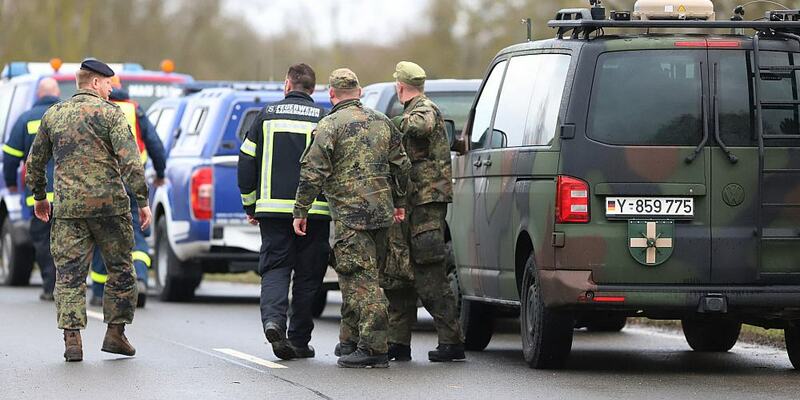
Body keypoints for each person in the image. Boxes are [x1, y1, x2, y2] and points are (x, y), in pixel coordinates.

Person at [26, 59, 151, 362]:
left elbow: (35, 162)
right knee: (121, 270)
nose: (111, 90)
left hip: (69, 210)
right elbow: (131, 162)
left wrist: (40, 198)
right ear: (95, 82)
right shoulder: (112, 114)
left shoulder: (54, 114)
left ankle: (72, 341)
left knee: (69, 275)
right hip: (110, 209)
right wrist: (142, 201)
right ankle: (115, 333)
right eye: (108, 84)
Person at [293, 68, 410, 368]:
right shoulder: (382, 122)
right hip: (381, 214)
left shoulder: (329, 125)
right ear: (359, 92)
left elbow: (312, 172)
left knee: (361, 280)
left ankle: (373, 347)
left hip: (350, 216)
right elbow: (402, 166)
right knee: (357, 276)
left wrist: (301, 210)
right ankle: (350, 339)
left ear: (331, 93)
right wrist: (399, 202)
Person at [237, 63, 330, 360]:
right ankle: (299, 340)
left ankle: (274, 322)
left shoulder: (266, 116)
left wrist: (250, 203)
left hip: (272, 211)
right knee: (308, 277)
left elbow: (246, 161)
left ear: (287, 85)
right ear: (313, 89)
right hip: (315, 213)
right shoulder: (323, 118)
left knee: (276, 268)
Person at [383, 61, 465, 362]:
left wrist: (390, 123)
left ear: (400, 86)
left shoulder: (424, 109)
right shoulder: (412, 109)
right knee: (399, 272)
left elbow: (423, 124)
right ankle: (398, 341)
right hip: (408, 204)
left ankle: (451, 341)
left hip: (425, 207)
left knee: (429, 271)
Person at [89, 76, 166, 309]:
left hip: (102, 182)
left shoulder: (94, 109)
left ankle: (99, 292)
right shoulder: (134, 109)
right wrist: (160, 172)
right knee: (136, 232)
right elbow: (155, 144)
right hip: (132, 179)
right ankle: (140, 279)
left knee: (102, 234)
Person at [2, 78, 60, 301]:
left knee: (43, 240)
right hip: (69, 195)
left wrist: (11, 183)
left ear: (38, 94)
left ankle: (50, 285)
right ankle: (69, 286)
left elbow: (10, 156)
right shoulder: (68, 116)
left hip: (39, 197)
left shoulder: (26, 119)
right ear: (57, 94)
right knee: (68, 241)